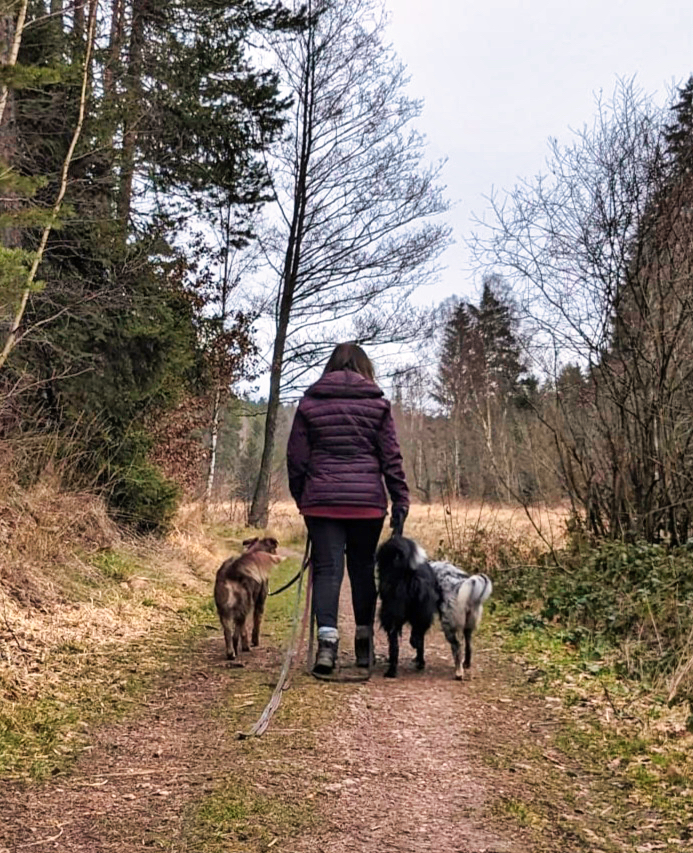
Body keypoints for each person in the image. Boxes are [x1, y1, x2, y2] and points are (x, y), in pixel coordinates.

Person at [286, 343, 410, 676]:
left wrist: (303, 497)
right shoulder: (378, 406)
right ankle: (364, 643)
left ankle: (327, 647)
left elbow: (296, 458)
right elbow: (391, 457)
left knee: (327, 570)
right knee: (361, 568)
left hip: (322, 502)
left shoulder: (310, 405)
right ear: (364, 368)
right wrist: (400, 498)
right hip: (367, 504)